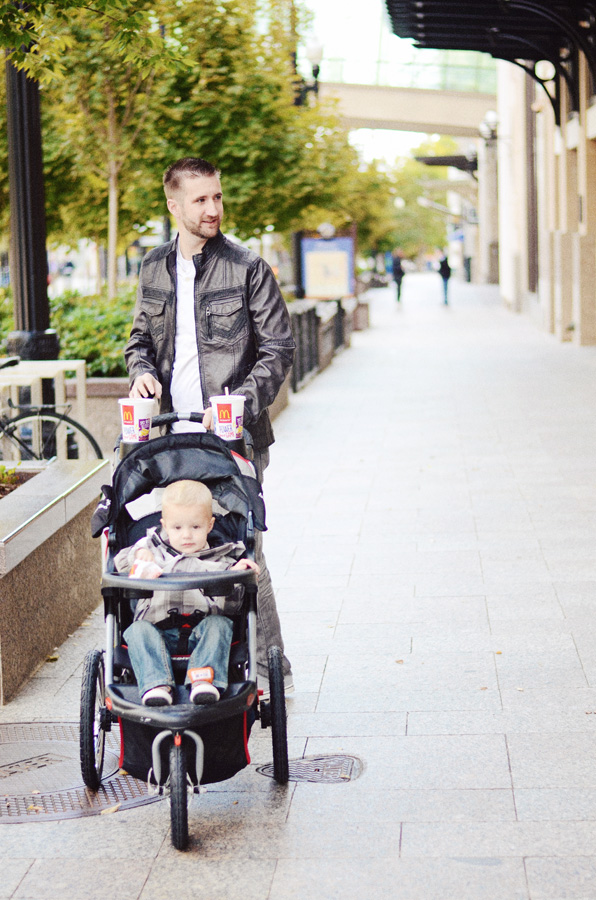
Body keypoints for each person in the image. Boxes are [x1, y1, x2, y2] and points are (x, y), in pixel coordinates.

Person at [125, 157, 295, 695]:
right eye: (200, 199)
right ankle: (179, 655)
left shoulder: (247, 267)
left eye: (217, 197)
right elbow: (139, 339)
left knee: (241, 551)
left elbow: (279, 347)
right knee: (172, 543)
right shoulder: (154, 266)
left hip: (232, 438)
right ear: (174, 205)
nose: (213, 208)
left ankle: (269, 669)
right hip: (171, 439)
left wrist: (240, 402)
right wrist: (141, 372)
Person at [115, 480, 259, 707]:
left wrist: (236, 576)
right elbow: (120, 563)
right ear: (164, 526)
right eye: (177, 528)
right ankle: (156, 685)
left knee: (220, 624)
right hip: (156, 632)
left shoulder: (222, 559)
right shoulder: (151, 549)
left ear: (210, 525)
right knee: (137, 630)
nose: (186, 536)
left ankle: (203, 680)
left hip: (202, 636)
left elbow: (233, 607)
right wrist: (138, 554)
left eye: (195, 527)